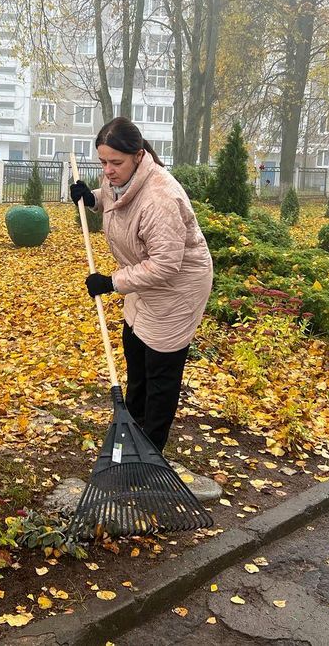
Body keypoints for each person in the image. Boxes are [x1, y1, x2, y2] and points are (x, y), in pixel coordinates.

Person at [70, 117, 213, 451]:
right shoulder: (119, 179)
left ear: (138, 155)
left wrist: (111, 282)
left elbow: (165, 263)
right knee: (134, 350)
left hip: (178, 286)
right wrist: (90, 199)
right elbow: (114, 202)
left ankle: (151, 452)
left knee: (159, 374)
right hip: (142, 279)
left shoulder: (160, 198)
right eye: (102, 161)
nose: (107, 170)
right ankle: (129, 435)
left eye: (115, 162)